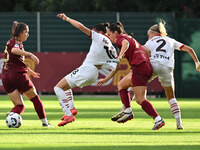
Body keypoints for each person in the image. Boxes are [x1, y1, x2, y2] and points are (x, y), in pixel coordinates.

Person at [54, 13, 119, 127]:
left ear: (97, 31)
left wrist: (67, 18)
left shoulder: (99, 36)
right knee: (66, 86)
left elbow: (80, 27)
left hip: (88, 69)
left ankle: (68, 114)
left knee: (58, 88)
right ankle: (72, 109)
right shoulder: (112, 49)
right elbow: (117, 67)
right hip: (94, 74)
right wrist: (106, 79)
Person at [104, 22, 165, 130]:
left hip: (140, 68)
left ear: (115, 32)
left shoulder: (120, 38)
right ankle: (127, 110)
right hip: (142, 67)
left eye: (109, 34)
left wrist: (121, 54)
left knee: (140, 99)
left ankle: (158, 119)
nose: (108, 37)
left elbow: (125, 44)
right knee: (121, 85)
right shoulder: (129, 37)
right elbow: (146, 51)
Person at [142, 20, 200, 129]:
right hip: (166, 68)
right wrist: (197, 63)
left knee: (134, 84)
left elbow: (142, 51)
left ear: (154, 33)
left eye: (149, 34)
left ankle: (126, 109)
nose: (148, 37)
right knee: (171, 97)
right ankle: (179, 124)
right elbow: (189, 49)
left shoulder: (149, 42)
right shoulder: (170, 40)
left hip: (153, 65)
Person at [2, 21, 51, 127]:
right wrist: (30, 54)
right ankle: (45, 123)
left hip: (6, 77)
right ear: (20, 33)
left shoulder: (11, 42)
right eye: (26, 32)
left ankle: (12, 114)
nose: (27, 34)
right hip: (17, 76)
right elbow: (15, 50)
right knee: (35, 99)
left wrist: (30, 71)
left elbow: (16, 61)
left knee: (20, 106)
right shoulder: (16, 43)